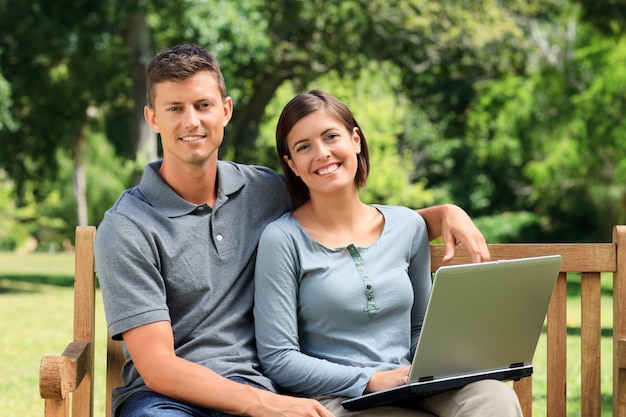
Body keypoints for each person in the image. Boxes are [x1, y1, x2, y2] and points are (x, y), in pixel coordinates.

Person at [94, 43, 490, 417]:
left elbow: (348, 221)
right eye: (175, 108)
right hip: (169, 400)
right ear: (152, 118)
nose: (191, 121)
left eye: (203, 105)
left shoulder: (265, 191)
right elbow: (159, 367)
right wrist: (264, 405)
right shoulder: (128, 226)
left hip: (260, 385)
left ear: (226, 110)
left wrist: (442, 214)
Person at [253, 90, 523, 417]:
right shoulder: (282, 239)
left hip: (413, 382)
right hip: (342, 397)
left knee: (493, 397)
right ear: (291, 165)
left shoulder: (407, 225)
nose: (322, 153)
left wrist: (451, 361)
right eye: (304, 147)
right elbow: (279, 357)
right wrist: (371, 379)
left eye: (330, 137)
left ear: (355, 140)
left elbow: (419, 329)